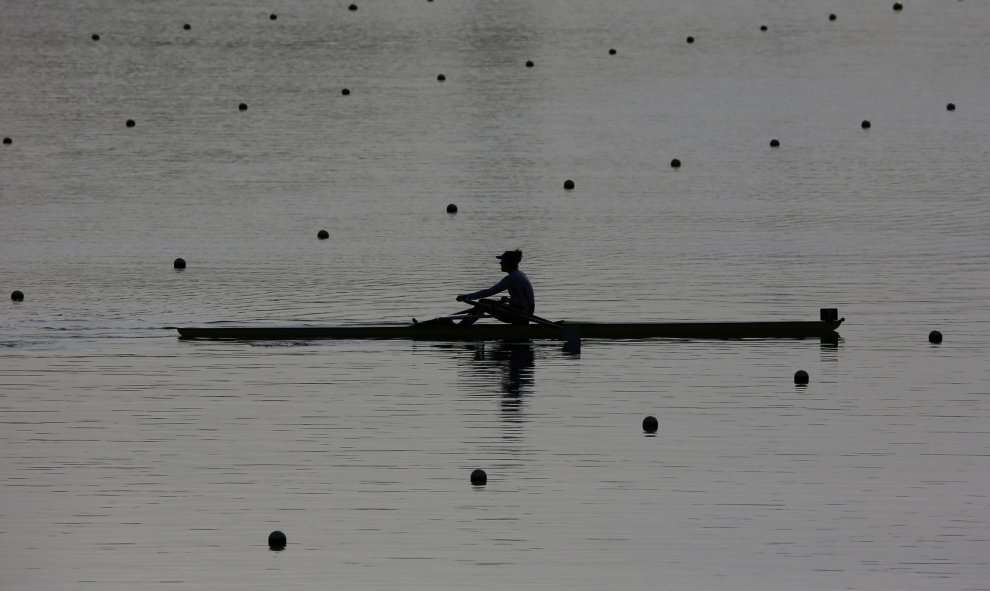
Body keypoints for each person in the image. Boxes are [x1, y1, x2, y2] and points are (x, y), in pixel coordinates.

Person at [456, 250, 535, 325]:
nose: (500, 263)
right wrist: (510, 300)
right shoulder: (519, 274)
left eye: (502, 261)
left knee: (484, 303)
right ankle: (464, 325)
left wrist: (467, 296)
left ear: (509, 263)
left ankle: (462, 327)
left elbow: (490, 292)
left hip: (522, 314)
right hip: (523, 311)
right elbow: (525, 300)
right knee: (484, 303)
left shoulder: (513, 277)